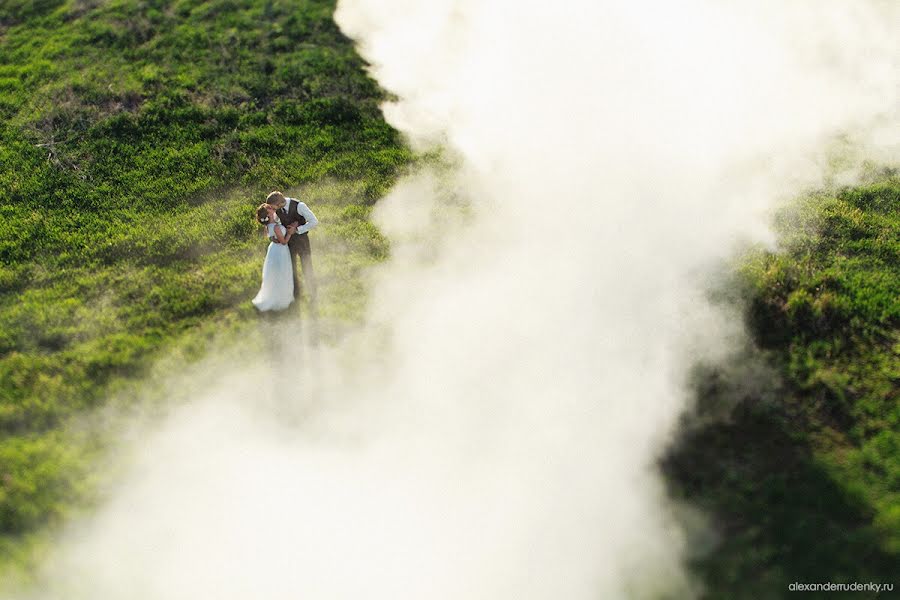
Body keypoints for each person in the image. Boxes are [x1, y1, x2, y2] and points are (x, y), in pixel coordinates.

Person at [264, 191, 319, 309]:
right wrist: (274, 235)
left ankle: (313, 293)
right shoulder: (277, 210)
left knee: (307, 266)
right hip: (288, 243)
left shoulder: (299, 206)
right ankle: (296, 295)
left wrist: (297, 229)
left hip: (302, 241)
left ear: (279, 203)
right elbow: (276, 223)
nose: (272, 210)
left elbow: (314, 221)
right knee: (291, 268)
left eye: (273, 207)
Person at [251, 203, 299, 312]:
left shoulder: (268, 226)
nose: (271, 208)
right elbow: (283, 242)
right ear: (268, 214)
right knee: (282, 272)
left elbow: (272, 237)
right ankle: (281, 298)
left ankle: (277, 294)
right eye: (269, 208)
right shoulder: (276, 227)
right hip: (281, 250)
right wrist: (291, 232)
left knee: (276, 273)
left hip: (274, 250)